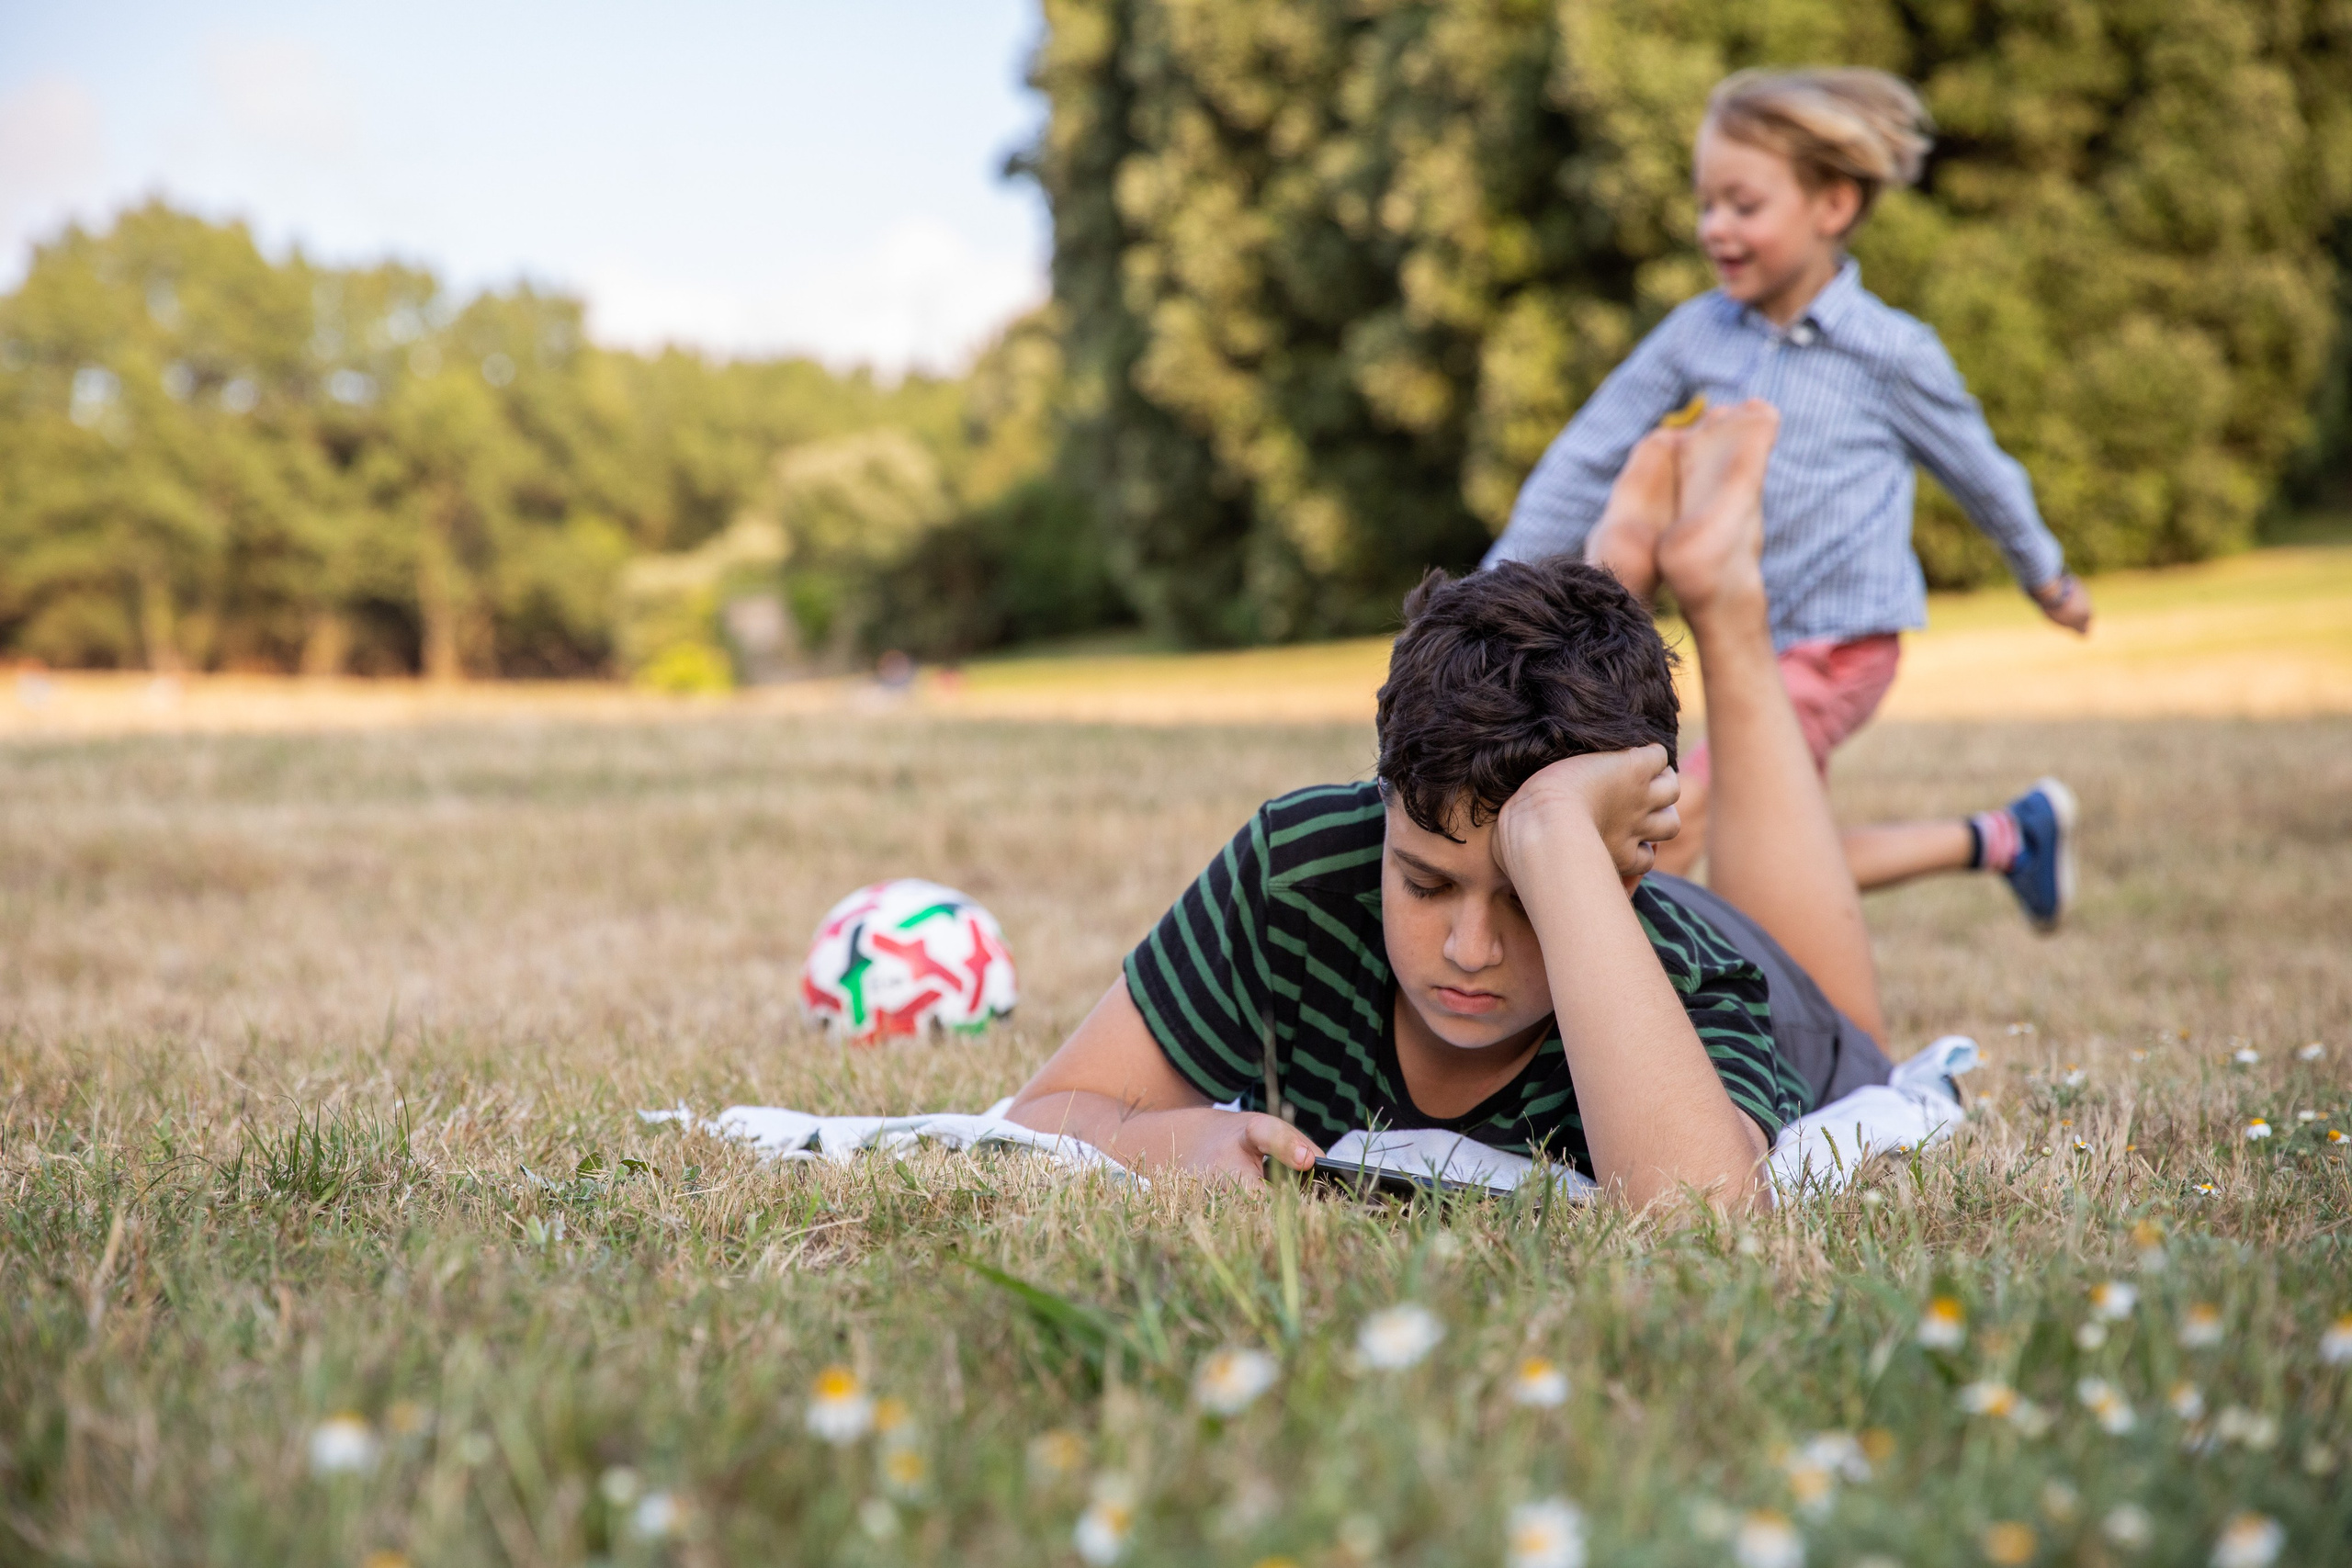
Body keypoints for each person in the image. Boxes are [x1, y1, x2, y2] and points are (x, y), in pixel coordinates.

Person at [1008, 402, 1935, 1207]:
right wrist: (1172, 1141)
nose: (1467, 950)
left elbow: (1697, 1223)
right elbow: (1046, 1114)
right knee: (1567, 699)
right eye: (1422, 884)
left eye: (1525, 899)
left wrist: (1556, 844)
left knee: (1856, 1028)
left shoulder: (1693, 974)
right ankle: (1623, 571)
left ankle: (1726, 595)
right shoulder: (1301, 869)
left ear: (1622, 862)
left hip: (1760, 990)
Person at [1484, 67, 2082, 927]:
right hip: (1745, 649)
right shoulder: (1699, 331)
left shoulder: (1891, 352)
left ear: (1831, 206)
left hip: (1838, 645)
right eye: (1706, 205)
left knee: (1670, 821)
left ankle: (1637, 1005)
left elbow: (1982, 472)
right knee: (1764, 838)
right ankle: (2006, 838)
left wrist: (2047, 576)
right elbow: (1591, 450)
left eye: (1742, 205)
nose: (1714, 228)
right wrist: (1499, 582)